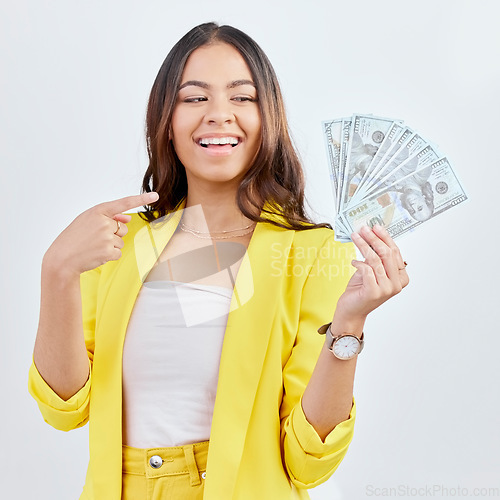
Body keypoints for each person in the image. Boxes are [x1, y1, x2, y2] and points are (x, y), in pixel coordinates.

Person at [28, 22, 409, 500]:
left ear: (267, 117)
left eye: (242, 97)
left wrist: (348, 325)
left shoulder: (310, 254)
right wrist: (56, 271)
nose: (218, 115)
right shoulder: (121, 242)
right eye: (194, 98)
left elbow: (308, 461)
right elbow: (63, 408)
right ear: (165, 118)